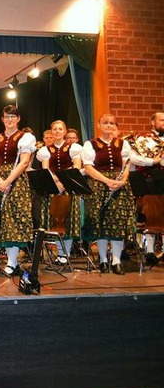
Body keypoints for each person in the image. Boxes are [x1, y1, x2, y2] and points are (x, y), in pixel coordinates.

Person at [0, 105, 36, 276]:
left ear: (18, 119)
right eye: (7, 116)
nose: (10, 119)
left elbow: (24, 162)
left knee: (13, 219)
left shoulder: (25, 137)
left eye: (13, 116)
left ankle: (12, 262)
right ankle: (5, 259)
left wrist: (8, 180)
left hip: (16, 181)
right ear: (2, 119)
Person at [81, 114, 135, 274]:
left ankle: (116, 260)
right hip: (99, 185)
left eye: (112, 123)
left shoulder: (122, 144)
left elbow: (126, 165)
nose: (109, 125)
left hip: (119, 186)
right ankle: (103, 259)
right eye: (106, 123)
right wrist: (107, 181)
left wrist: (122, 181)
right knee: (101, 223)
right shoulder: (90, 144)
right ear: (99, 125)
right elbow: (89, 167)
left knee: (117, 223)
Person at [35, 120, 83, 265]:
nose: (57, 131)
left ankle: (65, 254)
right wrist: (56, 181)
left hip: (67, 186)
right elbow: (46, 169)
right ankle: (61, 254)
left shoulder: (73, 148)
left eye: (60, 129)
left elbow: (76, 166)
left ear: (65, 131)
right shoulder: (45, 150)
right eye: (54, 129)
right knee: (56, 220)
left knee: (66, 221)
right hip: (54, 187)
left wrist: (63, 181)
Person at [128, 112, 164, 265]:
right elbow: (134, 157)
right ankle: (149, 251)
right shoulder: (144, 139)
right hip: (151, 180)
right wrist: (152, 161)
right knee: (151, 216)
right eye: (162, 120)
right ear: (152, 122)